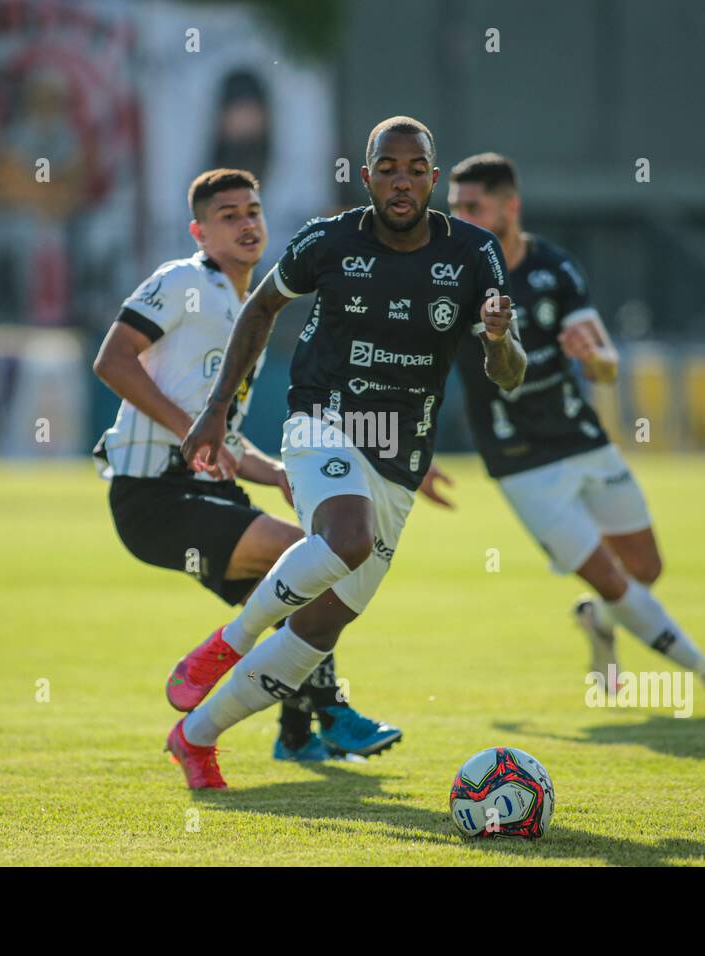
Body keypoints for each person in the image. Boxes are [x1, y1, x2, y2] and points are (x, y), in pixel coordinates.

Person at [164, 117, 527, 789]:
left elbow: (509, 372)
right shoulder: (328, 241)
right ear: (367, 178)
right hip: (321, 419)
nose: (401, 181)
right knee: (348, 536)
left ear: (433, 178)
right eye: (387, 168)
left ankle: (196, 737)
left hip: (401, 455)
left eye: (415, 169)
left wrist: (499, 340)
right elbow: (261, 308)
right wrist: (216, 409)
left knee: (318, 629)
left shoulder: (474, 254)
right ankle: (225, 644)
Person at [92, 168, 402, 762]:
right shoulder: (183, 279)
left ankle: (295, 736)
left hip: (201, 494)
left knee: (305, 593)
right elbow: (112, 360)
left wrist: (278, 474)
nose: (246, 223)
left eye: (253, 211)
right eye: (228, 215)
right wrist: (193, 429)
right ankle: (332, 712)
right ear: (199, 232)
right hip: (152, 495)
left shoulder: (247, 307)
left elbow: (224, 442)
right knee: (310, 554)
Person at [445, 152, 705, 717]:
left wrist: (594, 358)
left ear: (510, 207)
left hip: (583, 438)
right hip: (519, 461)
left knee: (646, 569)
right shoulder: (453, 278)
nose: (461, 217)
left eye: (473, 206)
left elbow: (605, 363)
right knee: (610, 577)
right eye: (455, 207)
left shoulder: (554, 269)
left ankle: (598, 625)